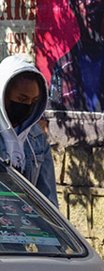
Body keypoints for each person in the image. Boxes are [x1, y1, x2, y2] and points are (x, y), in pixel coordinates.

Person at [0, 55, 59, 208]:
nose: (27, 106)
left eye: (34, 101)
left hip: (24, 228)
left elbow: (47, 200)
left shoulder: (36, 137)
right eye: (22, 99)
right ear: (3, 94)